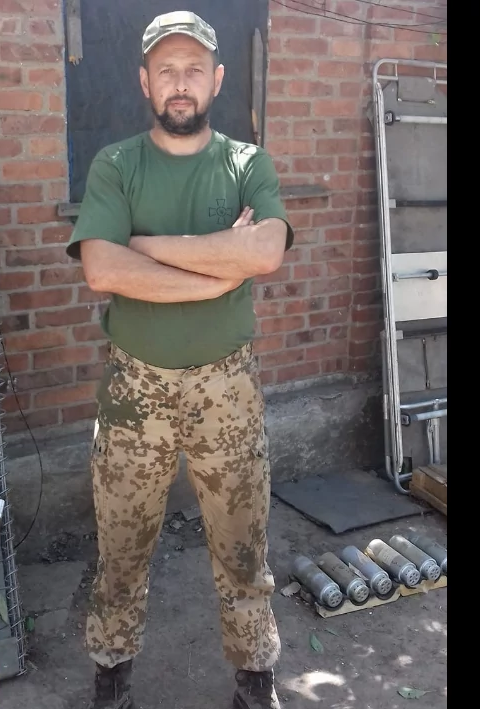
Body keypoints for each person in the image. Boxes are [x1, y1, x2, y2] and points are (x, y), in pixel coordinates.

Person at [65, 10, 294, 709]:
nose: (181, 82)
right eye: (166, 69)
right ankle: (111, 674)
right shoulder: (117, 165)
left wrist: (145, 244)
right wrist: (218, 270)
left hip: (228, 387)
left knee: (243, 546)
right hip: (135, 390)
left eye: (194, 68)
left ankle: (255, 678)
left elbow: (265, 250)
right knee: (121, 549)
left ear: (217, 79)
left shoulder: (247, 163)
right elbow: (102, 268)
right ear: (145, 81)